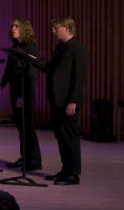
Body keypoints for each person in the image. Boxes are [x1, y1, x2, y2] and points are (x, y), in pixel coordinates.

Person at [34, 17, 88, 185]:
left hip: (68, 101)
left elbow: (79, 78)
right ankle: (66, 170)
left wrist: (74, 101)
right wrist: (34, 61)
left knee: (70, 137)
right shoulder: (60, 48)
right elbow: (51, 69)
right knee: (62, 137)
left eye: (56, 28)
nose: (53, 31)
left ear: (66, 28)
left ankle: (74, 174)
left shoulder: (77, 48)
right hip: (57, 100)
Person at [0, 18, 41, 171]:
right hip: (15, 91)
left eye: (16, 26)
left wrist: (23, 96)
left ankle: (35, 159)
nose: (12, 28)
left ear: (24, 29)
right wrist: (1, 85)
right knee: (20, 126)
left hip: (25, 92)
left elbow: (31, 75)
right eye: (12, 25)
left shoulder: (31, 48)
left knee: (27, 125)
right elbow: (9, 70)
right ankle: (25, 157)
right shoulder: (15, 48)